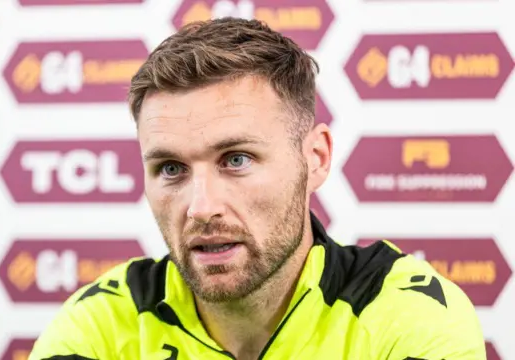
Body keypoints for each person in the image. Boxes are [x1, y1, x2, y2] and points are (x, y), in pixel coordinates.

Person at [28, 17, 486, 360]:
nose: (201, 208)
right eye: (171, 168)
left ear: (316, 158)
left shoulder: (404, 313)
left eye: (236, 160)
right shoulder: (103, 322)